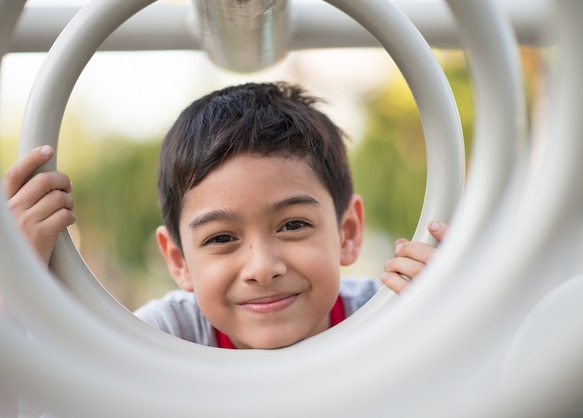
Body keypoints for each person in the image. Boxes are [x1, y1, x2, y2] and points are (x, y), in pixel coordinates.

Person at [2, 82, 447, 349]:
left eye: (293, 225)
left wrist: (452, 320)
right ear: (178, 261)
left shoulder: (392, 315)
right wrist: (13, 290)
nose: (262, 268)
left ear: (347, 232)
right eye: (220, 238)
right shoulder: (165, 338)